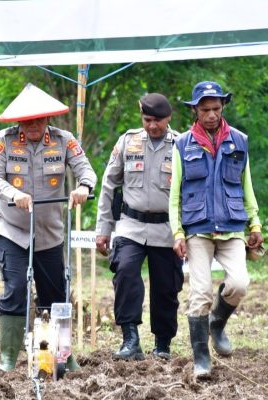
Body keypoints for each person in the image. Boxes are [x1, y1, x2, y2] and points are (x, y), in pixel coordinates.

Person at [0, 83, 97, 371]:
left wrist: (83, 187)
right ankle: (9, 358)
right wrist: (14, 194)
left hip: (49, 234)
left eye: (38, 119)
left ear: (48, 118)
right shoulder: (5, 140)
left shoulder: (63, 140)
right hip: (13, 232)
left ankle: (56, 357)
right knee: (15, 291)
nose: (33, 124)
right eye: (27, 120)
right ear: (19, 120)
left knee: (55, 295)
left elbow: (86, 169)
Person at [169, 81, 263, 378]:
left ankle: (217, 324)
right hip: (197, 228)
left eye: (216, 109)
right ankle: (201, 358)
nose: (211, 114)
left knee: (239, 283)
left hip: (233, 226)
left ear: (223, 108)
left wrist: (255, 223)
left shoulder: (240, 141)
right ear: (195, 110)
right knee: (200, 293)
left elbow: (246, 185)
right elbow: (175, 195)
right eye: (205, 109)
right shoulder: (182, 145)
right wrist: (177, 232)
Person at [95, 93, 183, 361]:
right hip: (130, 226)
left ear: (168, 118)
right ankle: (130, 339)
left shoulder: (181, 145)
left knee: (166, 287)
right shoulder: (127, 141)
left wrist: (186, 233)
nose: (152, 125)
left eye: (158, 120)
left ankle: (163, 344)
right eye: (147, 120)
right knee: (125, 273)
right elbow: (109, 184)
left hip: (166, 229)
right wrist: (103, 228)